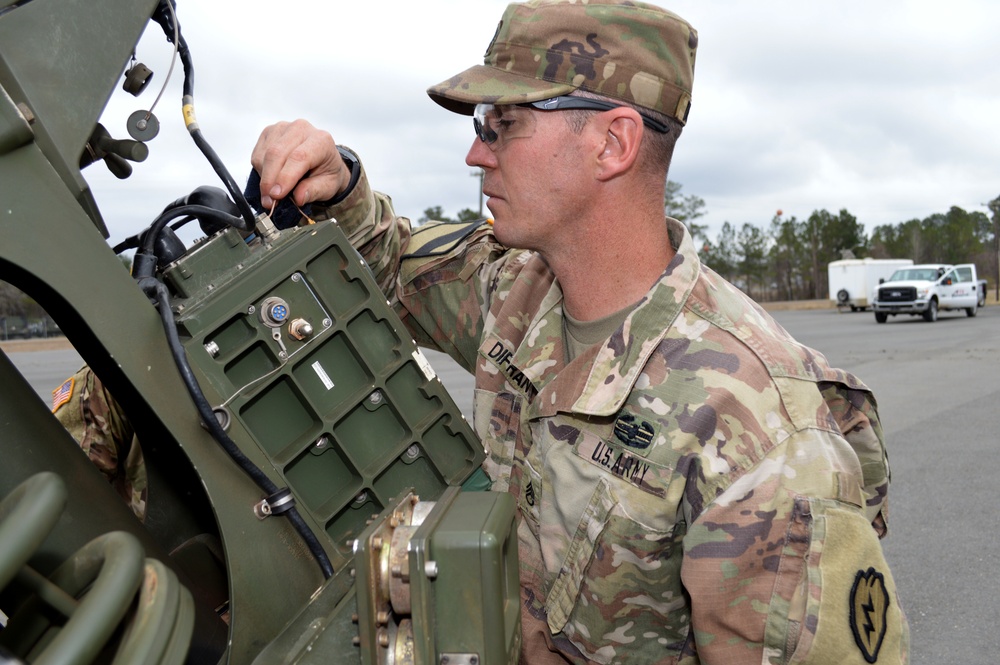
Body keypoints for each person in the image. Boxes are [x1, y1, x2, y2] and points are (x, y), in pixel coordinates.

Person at [251, 1, 908, 662]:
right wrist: (341, 184)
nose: (477, 153)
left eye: (504, 124)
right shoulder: (515, 292)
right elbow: (390, 262)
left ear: (612, 144)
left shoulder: (759, 430)